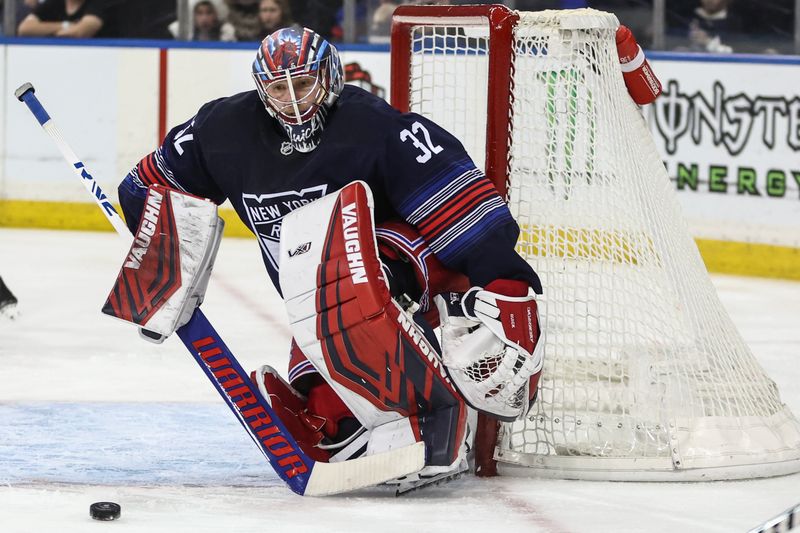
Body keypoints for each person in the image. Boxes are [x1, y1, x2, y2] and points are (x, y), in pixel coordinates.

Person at [117, 26, 545, 490]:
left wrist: (506, 284)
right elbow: (145, 186)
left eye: (303, 83)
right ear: (262, 90)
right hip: (320, 304)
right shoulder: (222, 132)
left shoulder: (372, 127)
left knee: (348, 270)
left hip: (407, 276)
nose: (293, 101)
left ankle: (431, 402)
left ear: (329, 75)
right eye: (279, 88)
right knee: (328, 414)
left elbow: (461, 208)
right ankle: (364, 418)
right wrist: (160, 256)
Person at [16, 0, 110, 38]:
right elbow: (24, 29)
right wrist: (66, 25)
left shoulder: (98, 3)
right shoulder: (54, 3)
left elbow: (80, 32)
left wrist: (45, 30)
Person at [169, 0, 236, 41]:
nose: (204, 18)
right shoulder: (184, 33)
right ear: (193, 15)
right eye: (199, 13)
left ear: (216, 15)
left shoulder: (225, 33)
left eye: (209, 12)